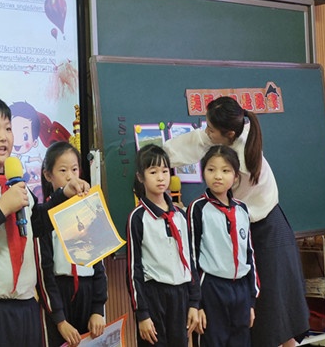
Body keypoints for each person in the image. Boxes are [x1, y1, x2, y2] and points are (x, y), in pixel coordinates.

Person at [0, 95, 89, 347]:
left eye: (8, 129)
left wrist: (63, 195)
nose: (4, 137)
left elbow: (37, 225)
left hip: (26, 307)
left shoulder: (18, 185)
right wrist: (1, 209)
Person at [163, 96, 309, 346]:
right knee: (266, 317)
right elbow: (197, 140)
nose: (206, 132)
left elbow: (221, 208)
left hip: (264, 230)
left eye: (211, 128)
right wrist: (158, 157)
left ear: (229, 135)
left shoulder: (241, 164)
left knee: (274, 312)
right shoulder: (234, 129)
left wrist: (186, 211)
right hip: (243, 230)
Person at [126, 144, 200, 347]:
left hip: (181, 295)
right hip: (154, 296)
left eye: (165, 171)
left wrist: (194, 302)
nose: (160, 178)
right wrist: (142, 314)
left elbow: (191, 260)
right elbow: (133, 269)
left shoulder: (181, 215)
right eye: (153, 172)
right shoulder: (137, 218)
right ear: (140, 176)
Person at [36, 141, 108, 347]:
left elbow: (99, 266)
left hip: (87, 293)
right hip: (58, 295)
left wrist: (98, 310)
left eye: (74, 169)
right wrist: (59, 320)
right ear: (48, 175)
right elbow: (44, 273)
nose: (70, 176)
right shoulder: (44, 218)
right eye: (63, 170)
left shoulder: (89, 211)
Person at [187, 145, 260, 347]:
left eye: (225, 170)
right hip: (212, 288)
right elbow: (191, 257)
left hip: (241, 290)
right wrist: (197, 303)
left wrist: (251, 300)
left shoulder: (242, 209)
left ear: (235, 177)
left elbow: (249, 254)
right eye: (211, 169)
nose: (218, 176)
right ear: (203, 172)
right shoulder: (198, 208)